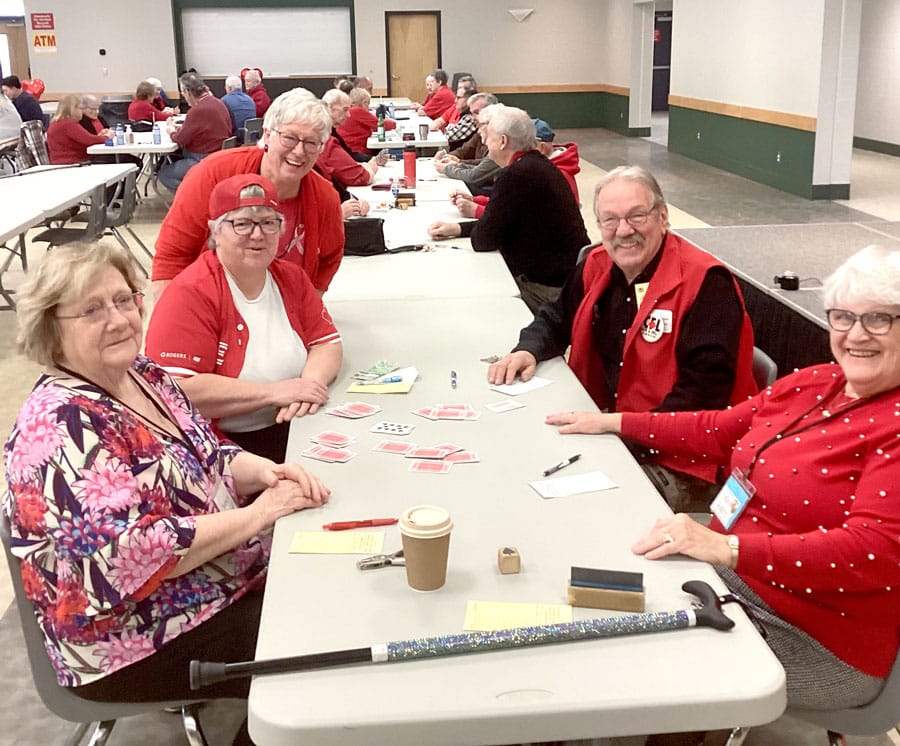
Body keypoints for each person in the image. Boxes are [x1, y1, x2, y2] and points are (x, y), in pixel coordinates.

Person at [546, 244, 900, 714]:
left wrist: (727, 548)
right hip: (730, 580)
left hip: (816, 631)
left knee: (625, 671)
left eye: (879, 320)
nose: (856, 334)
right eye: (844, 317)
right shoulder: (817, 381)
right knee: (588, 597)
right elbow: (717, 429)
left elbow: (872, 552)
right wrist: (614, 422)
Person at [3, 241, 330, 745]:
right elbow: (135, 555)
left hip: (216, 583)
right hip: (134, 638)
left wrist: (266, 472)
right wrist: (262, 513)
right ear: (51, 327)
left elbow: (209, 453)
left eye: (123, 300)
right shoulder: (61, 428)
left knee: (327, 594)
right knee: (316, 654)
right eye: (92, 310)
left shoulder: (143, 374)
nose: (118, 319)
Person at [488, 165, 757, 509]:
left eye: (637, 216)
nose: (624, 231)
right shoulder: (598, 263)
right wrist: (527, 350)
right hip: (615, 429)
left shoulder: (706, 283)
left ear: (663, 217)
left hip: (686, 460)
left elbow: (701, 396)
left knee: (576, 506)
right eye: (610, 220)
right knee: (516, 460)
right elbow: (557, 317)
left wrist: (616, 432)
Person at [146, 174, 342, 461]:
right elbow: (176, 388)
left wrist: (308, 388)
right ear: (215, 231)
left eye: (269, 222)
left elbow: (326, 343)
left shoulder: (291, 278)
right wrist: (273, 393)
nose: (258, 234)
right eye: (242, 223)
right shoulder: (189, 293)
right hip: (224, 449)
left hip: (296, 424)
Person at [151, 88, 344, 299]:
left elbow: (330, 257)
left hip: (285, 309)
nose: (299, 151)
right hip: (208, 305)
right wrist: (174, 313)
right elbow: (171, 258)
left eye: (311, 143)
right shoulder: (214, 174)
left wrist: (307, 304)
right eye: (289, 138)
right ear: (267, 135)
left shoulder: (324, 197)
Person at [428, 104, 589, 313]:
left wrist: (469, 229)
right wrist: (458, 228)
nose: (484, 142)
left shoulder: (516, 175)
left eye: (488, 137)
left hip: (548, 289)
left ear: (503, 141)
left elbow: (483, 239)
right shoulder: (537, 165)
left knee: (467, 293)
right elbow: (501, 222)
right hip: (568, 278)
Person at [159, 72, 233, 193]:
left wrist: (171, 130)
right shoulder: (218, 103)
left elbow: (180, 140)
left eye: (183, 93)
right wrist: (182, 128)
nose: (183, 96)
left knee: (164, 174)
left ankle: (191, 197)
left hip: (203, 159)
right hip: (220, 155)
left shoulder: (197, 111)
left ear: (188, 92)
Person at [433, 92, 500, 195]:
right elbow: (465, 150)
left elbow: (476, 174)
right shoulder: (480, 130)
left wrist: (451, 167)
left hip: (488, 188)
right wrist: (452, 159)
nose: (473, 118)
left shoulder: (499, 140)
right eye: (472, 113)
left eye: (477, 112)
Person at [319, 89, 384, 188]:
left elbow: (349, 155)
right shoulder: (326, 140)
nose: (349, 115)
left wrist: (370, 160)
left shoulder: (332, 132)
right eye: (345, 110)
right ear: (330, 107)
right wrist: (370, 168)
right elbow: (360, 177)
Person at [46, 93, 115, 165]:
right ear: (73, 109)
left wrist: (99, 136)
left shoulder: (58, 123)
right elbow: (89, 140)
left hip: (64, 162)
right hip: (71, 162)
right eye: (80, 108)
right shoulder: (68, 124)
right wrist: (107, 137)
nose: (82, 111)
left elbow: (85, 139)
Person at [336, 87, 396, 156]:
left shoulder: (350, 110)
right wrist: (395, 123)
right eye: (368, 104)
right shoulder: (357, 111)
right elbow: (379, 124)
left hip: (348, 150)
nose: (368, 107)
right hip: (357, 150)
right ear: (364, 102)